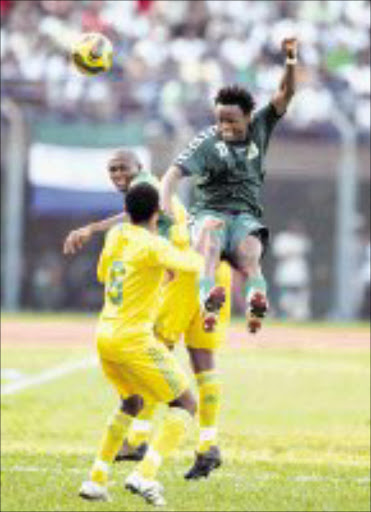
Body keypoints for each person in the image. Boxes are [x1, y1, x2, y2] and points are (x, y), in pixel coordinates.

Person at [64, 148, 231, 479]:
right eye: (112, 170)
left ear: (140, 169)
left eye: (122, 168)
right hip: (203, 271)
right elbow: (133, 215)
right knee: (202, 359)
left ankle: (138, 441)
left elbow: (136, 216)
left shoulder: (146, 187)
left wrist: (93, 229)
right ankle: (208, 444)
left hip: (183, 272)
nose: (117, 175)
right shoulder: (148, 192)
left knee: (152, 353)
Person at [160, 37, 298, 333]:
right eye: (220, 119)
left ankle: (255, 302)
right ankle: (208, 298)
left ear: (249, 117)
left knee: (250, 252)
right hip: (209, 213)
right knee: (209, 243)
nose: (225, 126)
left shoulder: (262, 125)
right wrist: (164, 209)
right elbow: (172, 174)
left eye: (233, 121)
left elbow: (286, 92)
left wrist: (290, 61)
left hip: (245, 216)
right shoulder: (206, 141)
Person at [78, 182, 204, 506]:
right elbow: (194, 265)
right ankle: (144, 475)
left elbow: (105, 274)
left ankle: (96, 479)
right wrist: (205, 237)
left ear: (128, 210)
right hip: (133, 339)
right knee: (186, 404)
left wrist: (157, 275)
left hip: (105, 335)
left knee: (131, 404)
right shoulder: (153, 245)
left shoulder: (116, 235)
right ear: (157, 212)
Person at [272, 220, 312, 320]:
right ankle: (284, 318)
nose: (296, 227)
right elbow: (279, 254)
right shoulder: (282, 238)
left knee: (301, 302)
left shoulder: (303, 238)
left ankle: (299, 319)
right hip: (285, 275)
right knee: (285, 301)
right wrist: (292, 252)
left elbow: (307, 250)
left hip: (300, 275)